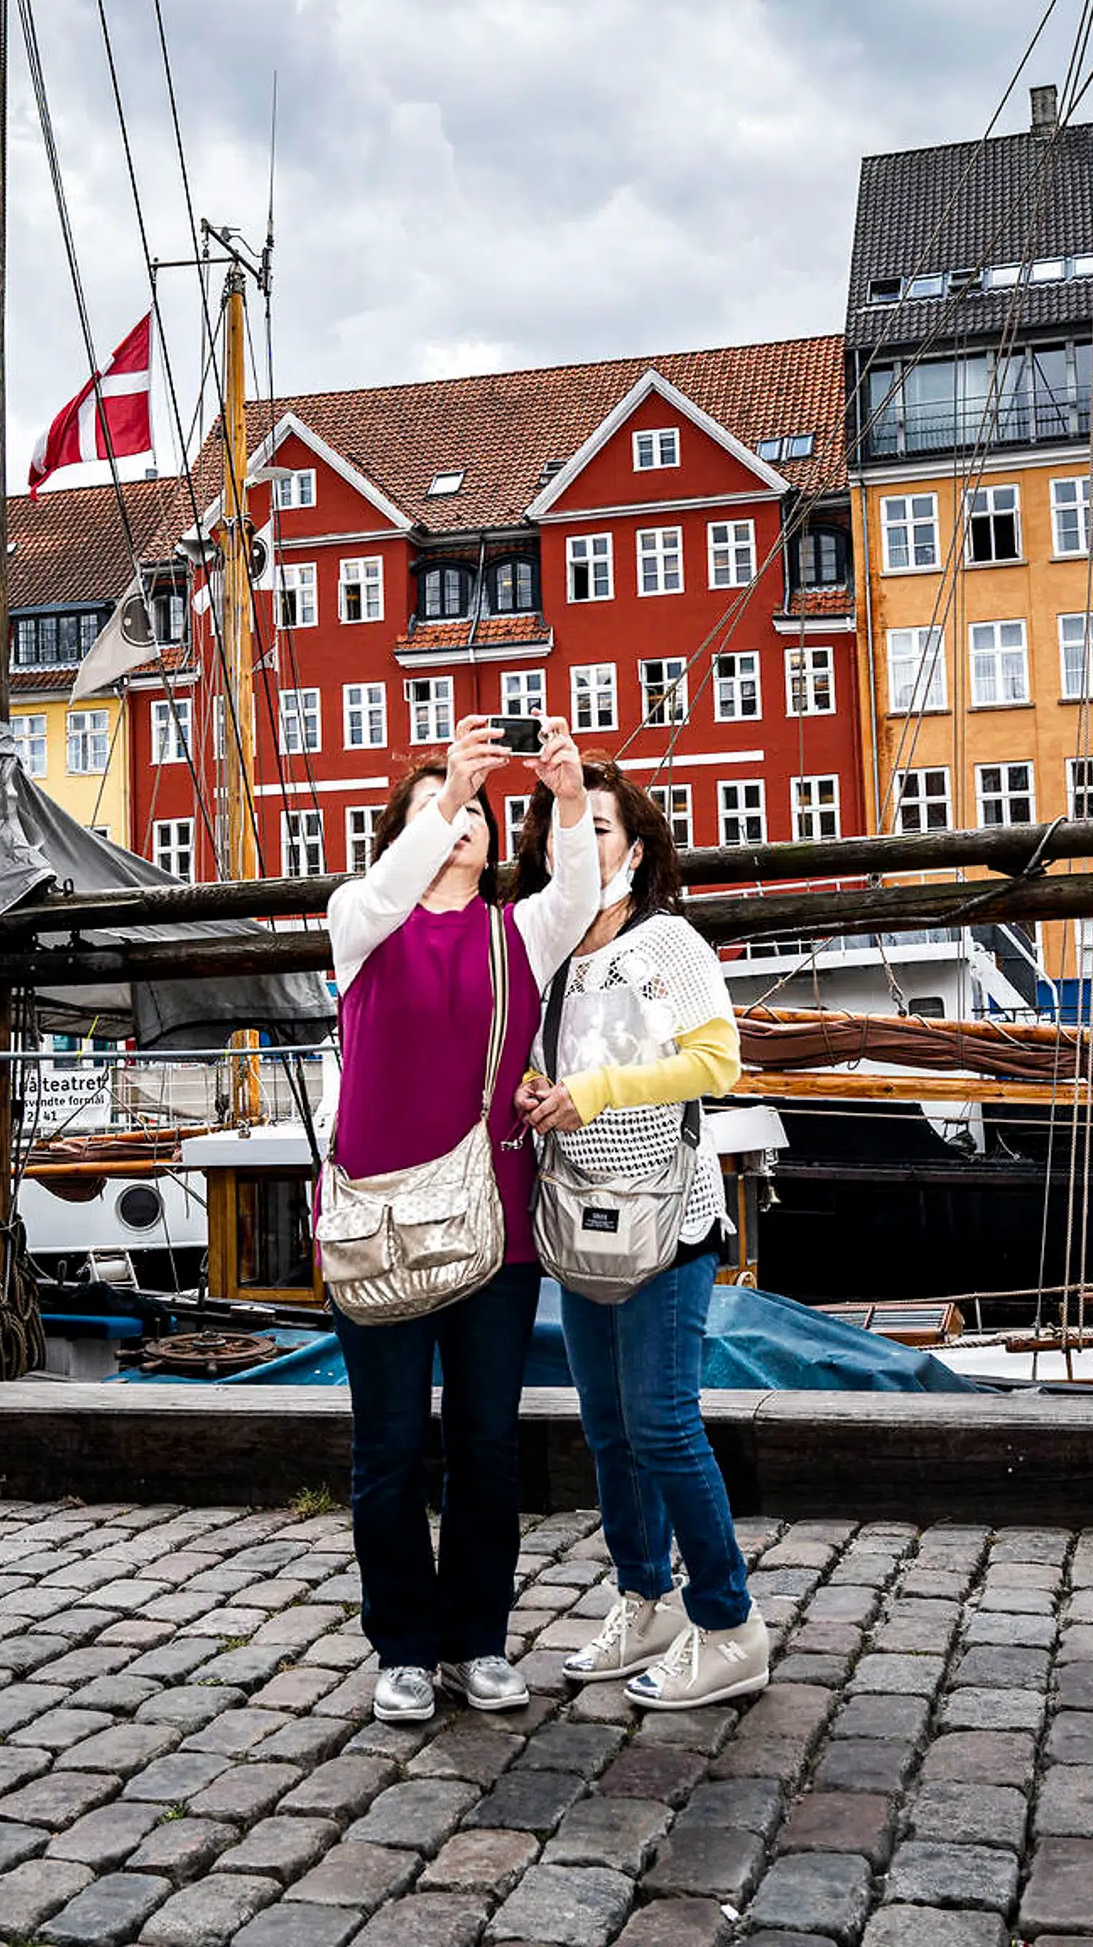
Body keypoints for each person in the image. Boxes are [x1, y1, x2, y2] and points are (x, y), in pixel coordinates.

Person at [326, 713, 598, 1723]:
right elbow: (389, 885)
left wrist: (566, 799)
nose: (467, 816)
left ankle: (477, 1639)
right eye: (444, 805)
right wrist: (442, 796)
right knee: (388, 1448)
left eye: (480, 808)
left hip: (496, 1231)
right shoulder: (362, 918)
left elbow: (575, 893)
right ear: (407, 825)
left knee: (487, 1445)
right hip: (380, 1226)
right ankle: (403, 1643)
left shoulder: (515, 929)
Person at [513, 763, 767, 1710]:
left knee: (663, 1421)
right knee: (609, 1428)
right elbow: (557, 1070)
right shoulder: (553, 959)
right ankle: (645, 1596)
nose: (578, 842)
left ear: (638, 846)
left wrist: (596, 1091)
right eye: (563, 828)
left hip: (668, 1211)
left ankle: (731, 1622)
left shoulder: (666, 943)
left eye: (602, 828)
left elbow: (718, 1062)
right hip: (581, 1217)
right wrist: (544, 1094)